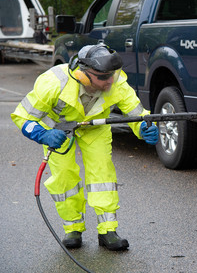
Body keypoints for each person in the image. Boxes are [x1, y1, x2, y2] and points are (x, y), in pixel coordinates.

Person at [11, 44, 159, 251]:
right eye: (104, 77)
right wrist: (42, 134)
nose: (110, 82)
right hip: (57, 130)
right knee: (64, 177)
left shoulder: (116, 82)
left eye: (112, 76)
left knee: (102, 174)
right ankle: (73, 228)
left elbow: (136, 112)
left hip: (95, 127)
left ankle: (108, 229)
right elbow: (22, 116)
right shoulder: (54, 83)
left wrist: (144, 127)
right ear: (83, 75)